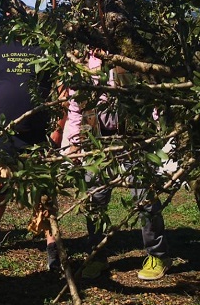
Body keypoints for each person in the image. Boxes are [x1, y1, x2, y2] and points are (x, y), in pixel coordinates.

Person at [54, 53, 170, 281]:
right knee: (94, 200)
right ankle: (96, 256)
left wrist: (158, 130)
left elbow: (154, 94)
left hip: (136, 139)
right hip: (98, 140)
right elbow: (76, 106)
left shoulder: (130, 53)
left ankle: (158, 255)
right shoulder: (84, 62)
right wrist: (75, 144)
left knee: (144, 198)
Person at [0, 40, 55, 267]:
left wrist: (58, 129)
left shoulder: (45, 46)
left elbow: (62, 89)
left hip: (38, 133)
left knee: (43, 188)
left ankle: (52, 243)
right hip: (1, 133)